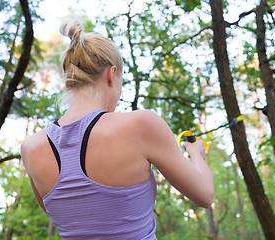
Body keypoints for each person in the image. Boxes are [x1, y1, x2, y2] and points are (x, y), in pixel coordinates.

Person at [20, 20, 214, 240]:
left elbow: (72, 216)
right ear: (112, 75)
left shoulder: (30, 148)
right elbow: (204, 196)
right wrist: (197, 155)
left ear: (69, 81)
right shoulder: (142, 124)